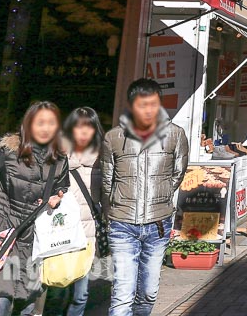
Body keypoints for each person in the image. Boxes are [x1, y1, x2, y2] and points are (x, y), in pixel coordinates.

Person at [0, 101, 70, 316]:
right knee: (0, 303)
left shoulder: (59, 160)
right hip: (4, 237)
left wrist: (56, 199)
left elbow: (62, 189)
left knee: (27, 306)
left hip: (36, 244)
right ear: (28, 125)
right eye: (40, 123)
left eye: (51, 123)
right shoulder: (9, 153)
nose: (45, 128)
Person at [102, 78, 190, 316]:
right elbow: (107, 179)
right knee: (122, 293)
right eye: (142, 105)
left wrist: (159, 198)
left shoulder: (175, 135)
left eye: (153, 104)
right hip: (122, 222)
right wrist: (114, 209)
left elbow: (177, 174)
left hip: (158, 223)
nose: (149, 110)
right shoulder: (113, 138)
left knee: (149, 291)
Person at [61, 107, 106, 316]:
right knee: (56, 289)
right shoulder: (57, 157)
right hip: (60, 231)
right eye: (79, 126)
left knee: (80, 294)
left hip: (87, 233)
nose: (83, 131)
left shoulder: (102, 159)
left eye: (88, 126)